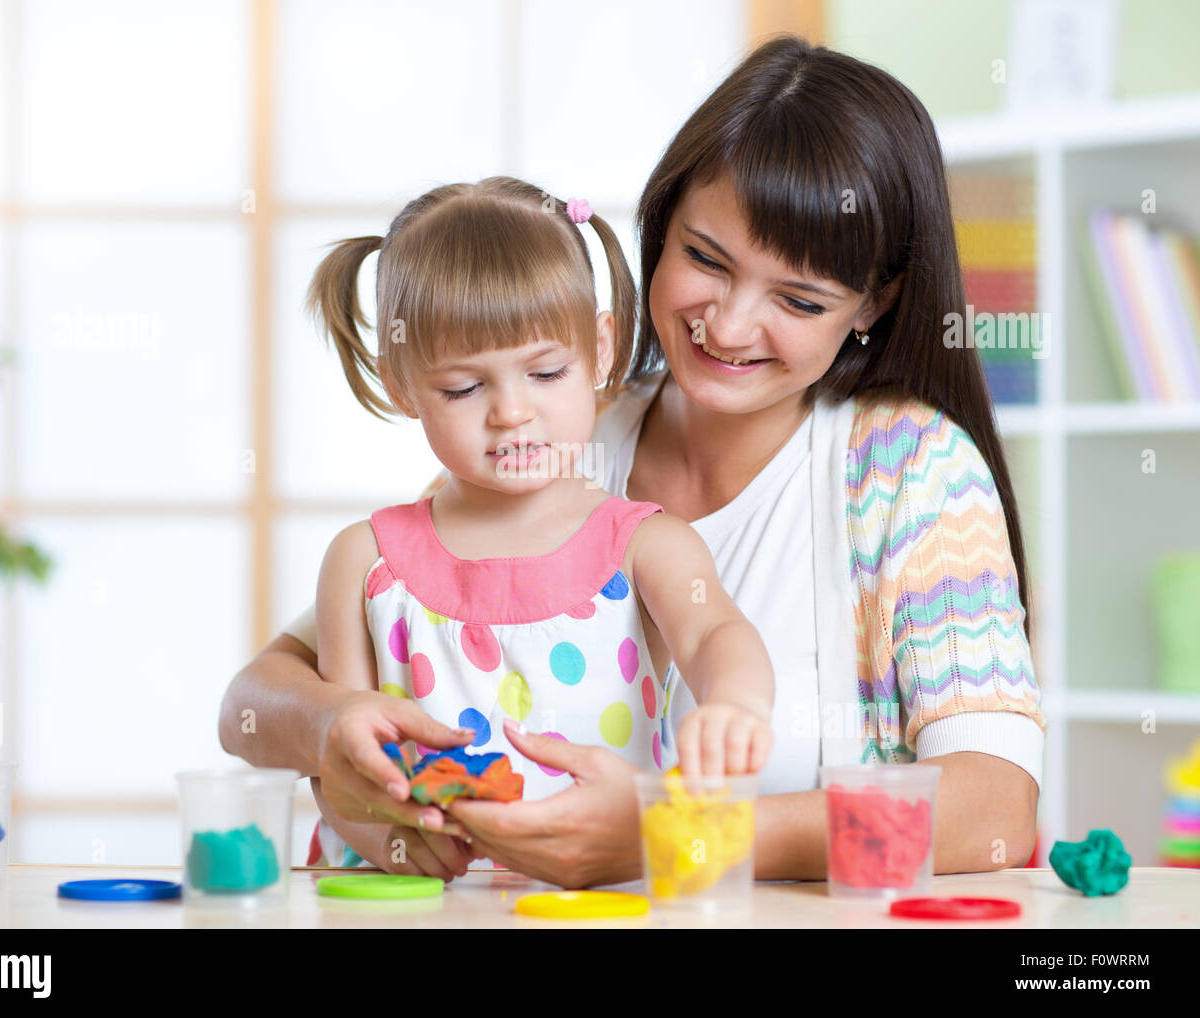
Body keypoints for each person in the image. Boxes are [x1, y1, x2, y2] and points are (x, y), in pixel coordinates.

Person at [220, 35, 1047, 887]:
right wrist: (337, 732)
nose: (726, 327)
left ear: (875, 303)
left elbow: (994, 810)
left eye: (798, 299)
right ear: (661, 221)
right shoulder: (552, 432)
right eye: (704, 259)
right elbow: (252, 705)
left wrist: (679, 833)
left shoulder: (910, 472)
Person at [297, 176, 774, 875]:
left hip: (602, 910)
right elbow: (339, 767)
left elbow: (715, 634)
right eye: (464, 388)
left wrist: (736, 702)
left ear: (602, 348)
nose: (511, 412)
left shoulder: (645, 544)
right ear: (399, 381)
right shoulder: (362, 562)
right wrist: (383, 829)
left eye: (547, 373)